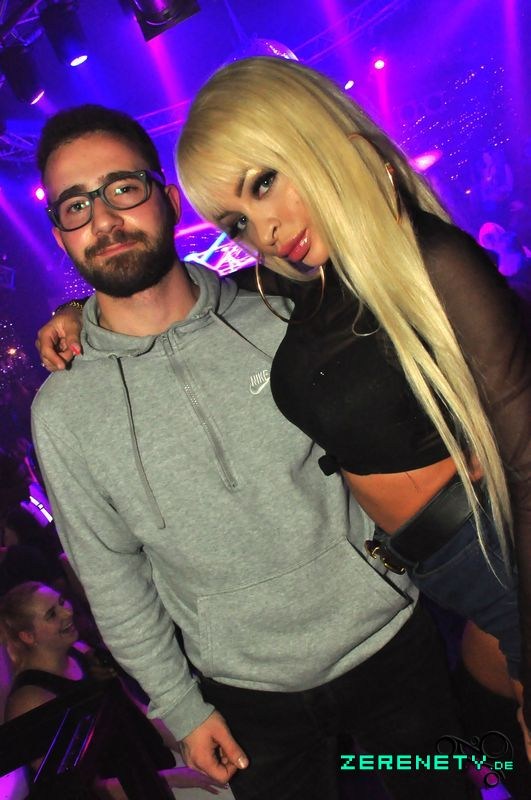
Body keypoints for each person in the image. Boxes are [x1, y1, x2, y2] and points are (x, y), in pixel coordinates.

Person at [31, 103, 482, 800]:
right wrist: (181, 709)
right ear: (61, 234)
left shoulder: (283, 311)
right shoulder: (63, 409)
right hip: (247, 704)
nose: (104, 218)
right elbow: (113, 580)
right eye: (76, 205)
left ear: (168, 198)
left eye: (122, 187)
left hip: (392, 646)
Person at [175, 58, 531, 746]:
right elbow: (197, 291)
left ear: (311, 135)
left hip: (498, 562)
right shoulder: (313, 282)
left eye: (264, 182)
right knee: (481, 740)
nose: (265, 230)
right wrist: (82, 312)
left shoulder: (431, 259)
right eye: (238, 222)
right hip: (444, 577)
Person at [0, 581, 226, 797]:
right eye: (52, 614)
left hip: (157, 772)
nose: (67, 612)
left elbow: (137, 710)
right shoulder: (28, 700)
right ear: (28, 636)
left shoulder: (81, 654)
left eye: (61, 602)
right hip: (137, 788)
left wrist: (192, 742)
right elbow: (69, 787)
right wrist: (171, 778)